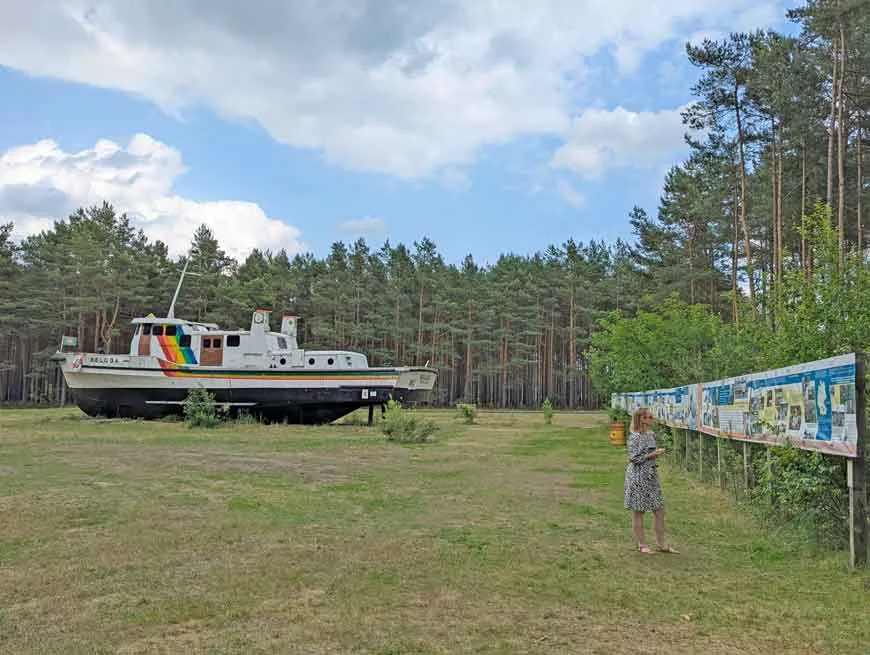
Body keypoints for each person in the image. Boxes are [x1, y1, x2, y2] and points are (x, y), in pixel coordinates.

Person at [624, 406, 678, 554]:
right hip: (638, 476)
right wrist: (652, 455)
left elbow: (649, 452)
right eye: (649, 417)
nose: (652, 419)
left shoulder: (651, 434)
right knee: (639, 511)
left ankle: (662, 544)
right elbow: (633, 457)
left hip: (651, 475)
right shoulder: (634, 436)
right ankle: (642, 544)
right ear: (641, 419)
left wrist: (654, 455)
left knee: (659, 510)